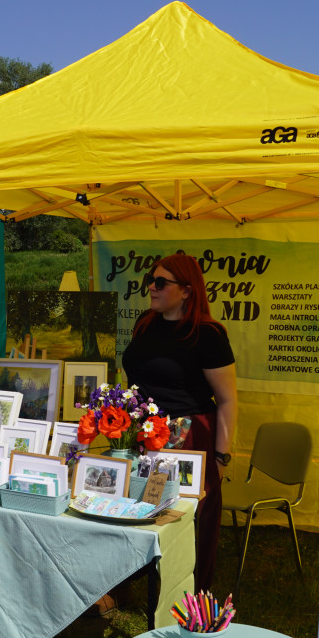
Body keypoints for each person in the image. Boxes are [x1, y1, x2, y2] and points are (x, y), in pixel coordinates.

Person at [122, 253, 237, 592]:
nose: (152, 288)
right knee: (137, 511)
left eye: (160, 282)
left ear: (187, 291)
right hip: (143, 433)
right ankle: (131, 583)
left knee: (188, 518)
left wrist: (221, 456)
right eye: (150, 281)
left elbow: (228, 400)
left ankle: (192, 594)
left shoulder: (208, 334)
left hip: (188, 439)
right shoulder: (145, 323)